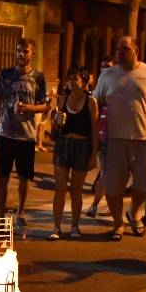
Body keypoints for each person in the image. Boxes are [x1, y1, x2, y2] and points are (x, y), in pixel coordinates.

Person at [93, 36, 146, 241]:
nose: (120, 52)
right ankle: (118, 223)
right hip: (113, 140)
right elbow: (95, 105)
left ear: (136, 50)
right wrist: (94, 138)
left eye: (125, 48)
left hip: (144, 139)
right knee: (112, 186)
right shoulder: (107, 76)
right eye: (118, 48)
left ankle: (134, 213)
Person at [0, 37, 50, 228]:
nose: (21, 55)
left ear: (33, 54)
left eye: (25, 51)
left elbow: (45, 106)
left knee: (24, 177)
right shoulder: (5, 75)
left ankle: (21, 212)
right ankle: (0, 213)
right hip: (5, 133)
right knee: (2, 176)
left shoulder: (38, 77)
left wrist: (28, 108)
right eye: (18, 51)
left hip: (27, 135)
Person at [49, 66, 98, 239]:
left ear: (84, 82)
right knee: (60, 188)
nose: (71, 82)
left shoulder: (91, 102)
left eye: (75, 79)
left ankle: (75, 226)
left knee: (76, 190)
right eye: (69, 79)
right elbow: (57, 127)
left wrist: (94, 155)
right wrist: (55, 120)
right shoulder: (63, 99)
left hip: (82, 145)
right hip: (64, 144)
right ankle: (56, 228)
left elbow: (94, 129)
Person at [86, 56, 114, 219]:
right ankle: (95, 205)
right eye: (102, 66)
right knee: (104, 174)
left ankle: (109, 205)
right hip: (103, 137)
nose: (105, 69)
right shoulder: (99, 86)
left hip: (119, 137)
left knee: (112, 176)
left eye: (108, 66)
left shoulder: (119, 84)